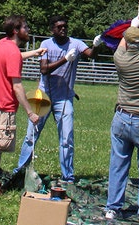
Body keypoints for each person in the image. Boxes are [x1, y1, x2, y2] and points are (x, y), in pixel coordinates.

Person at [104, 6, 139, 225]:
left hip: (121, 118)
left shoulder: (120, 59)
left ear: (127, 43)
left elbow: (122, 45)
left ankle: (113, 208)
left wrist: (132, 24)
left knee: (118, 164)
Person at [17, 15, 88, 181]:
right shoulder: (46, 44)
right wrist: (65, 59)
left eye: (65, 26)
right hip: (44, 95)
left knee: (66, 138)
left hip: (64, 98)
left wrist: (99, 43)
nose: (62, 29)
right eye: (59, 27)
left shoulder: (75, 44)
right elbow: (44, 70)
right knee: (31, 135)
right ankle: (21, 170)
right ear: (52, 30)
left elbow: (90, 53)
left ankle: (68, 176)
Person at [0, 15, 44, 194]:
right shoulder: (12, 52)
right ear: (16, 31)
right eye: (26, 27)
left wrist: (34, 52)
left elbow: (14, 57)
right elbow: (17, 86)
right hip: (5, 105)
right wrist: (30, 112)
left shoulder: (3, 44)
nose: (28, 30)